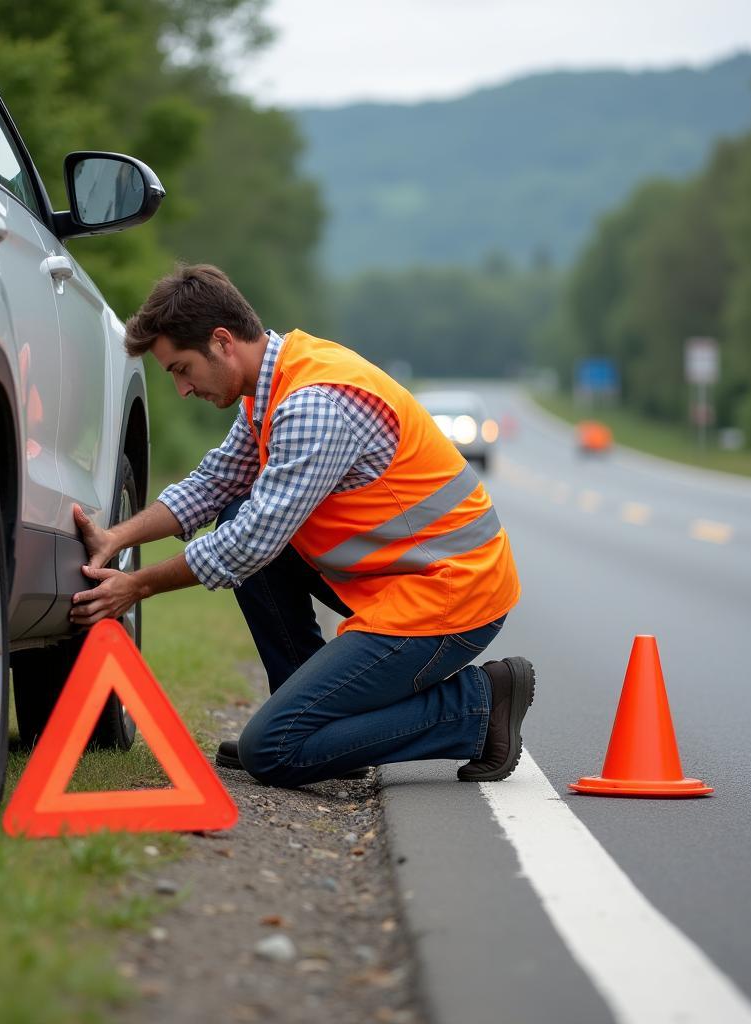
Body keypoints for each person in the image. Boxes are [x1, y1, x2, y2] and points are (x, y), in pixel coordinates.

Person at [69, 264, 534, 787]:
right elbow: (213, 485)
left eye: (181, 368)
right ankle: (316, 723)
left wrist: (137, 585)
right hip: (402, 581)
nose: (181, 388)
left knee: (272, 751)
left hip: (451, 595)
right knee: (234, 511)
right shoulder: (272, 385)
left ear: (222, 342)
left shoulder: (314, 404)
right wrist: (118, 536)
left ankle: (475, 708)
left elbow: (247, 545)